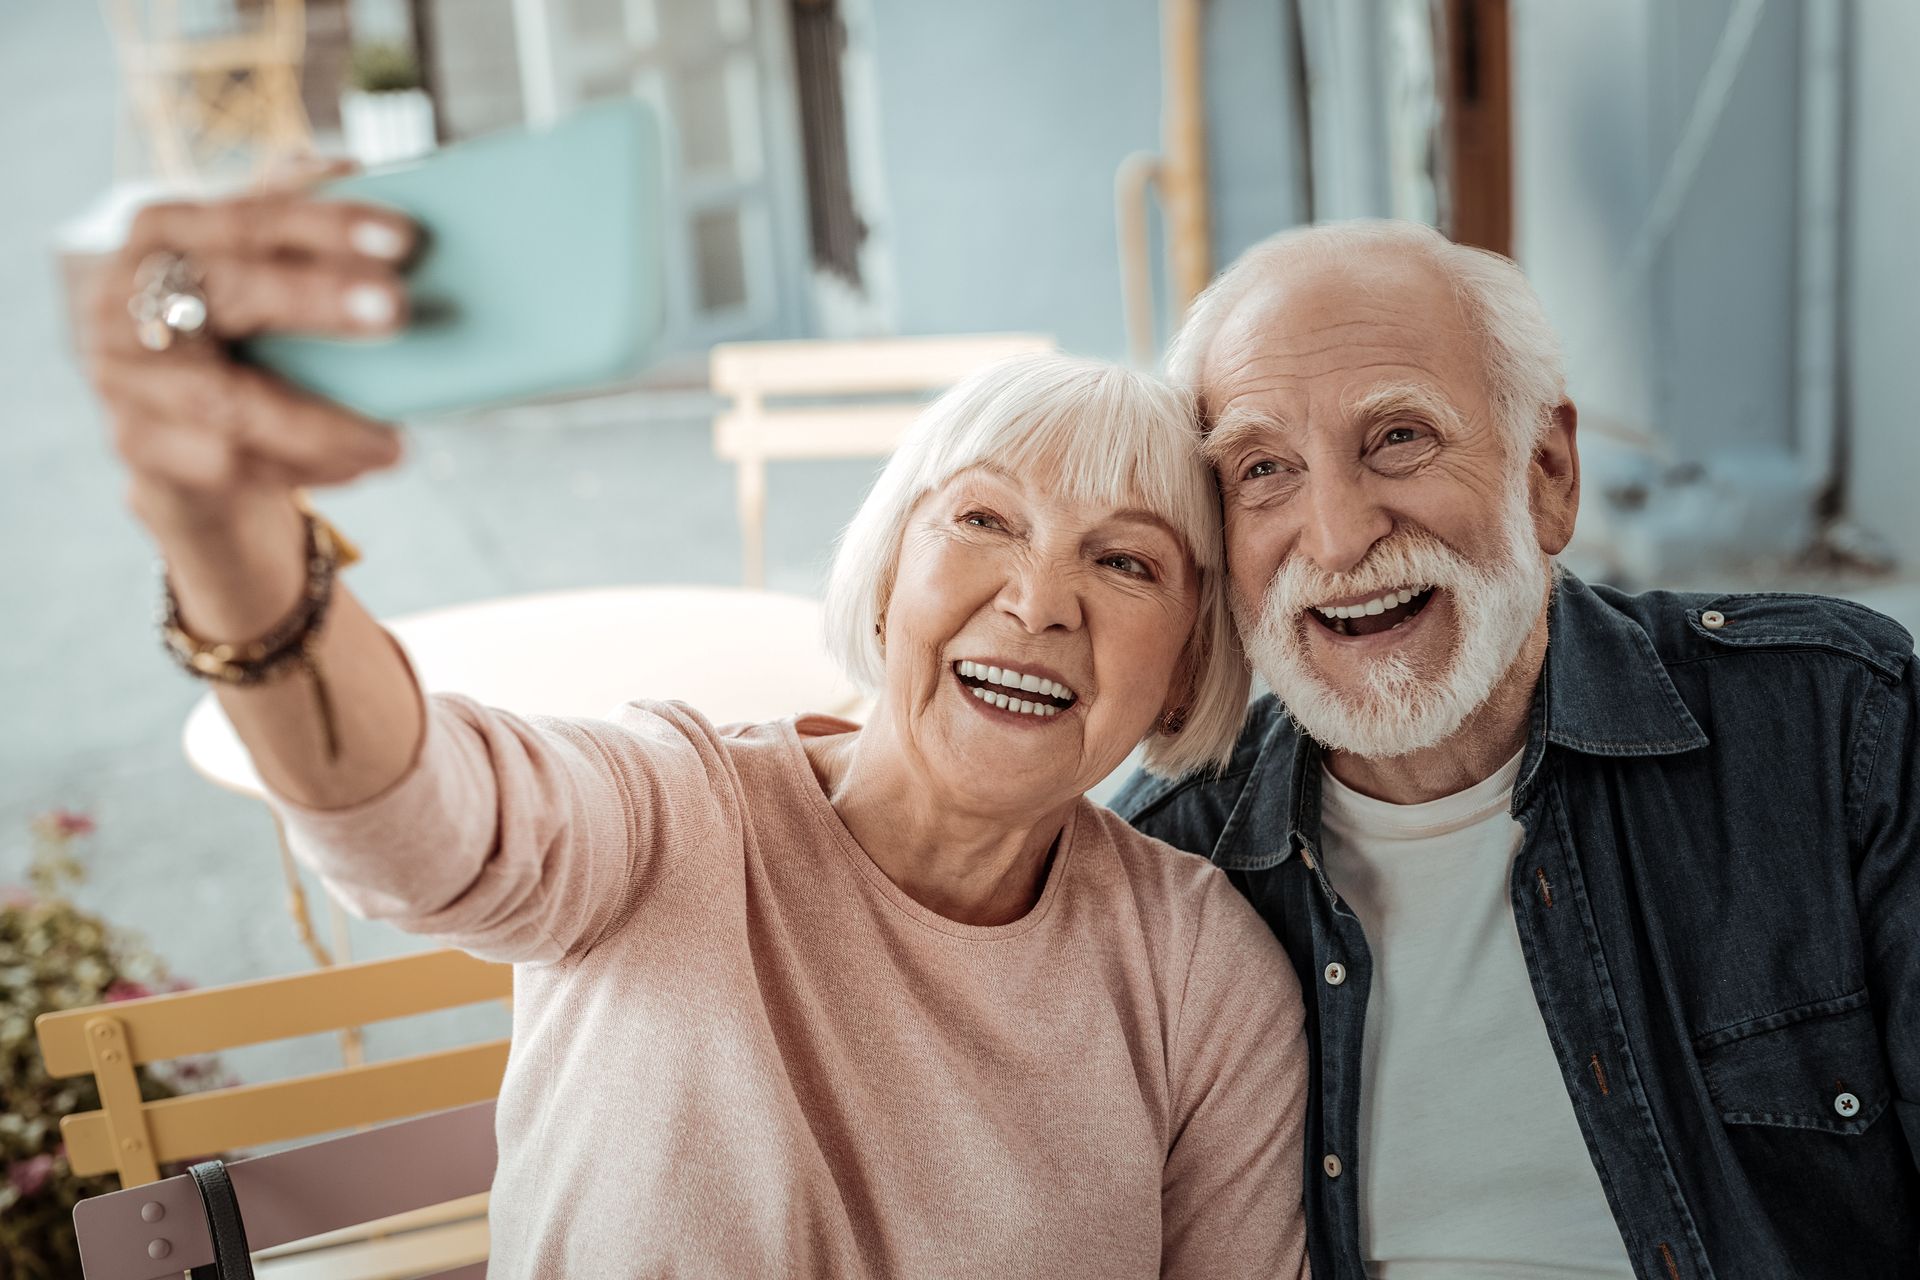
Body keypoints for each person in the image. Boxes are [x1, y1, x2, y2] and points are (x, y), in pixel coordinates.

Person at [82, 191, 1312, 1277]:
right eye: (986, 519)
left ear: (1187, 667)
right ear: (887, 582)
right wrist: (233, 548)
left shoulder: (1199, 978)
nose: (1042, 599)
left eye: (1125, 561)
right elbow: (413, 825)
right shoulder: (673, 810)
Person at [1115, 219, 1920, 1280]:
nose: (1340, 533)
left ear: (1547, 472)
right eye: (1263, 466)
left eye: (1398, 437)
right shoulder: (1173, 864)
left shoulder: (1830, 729)